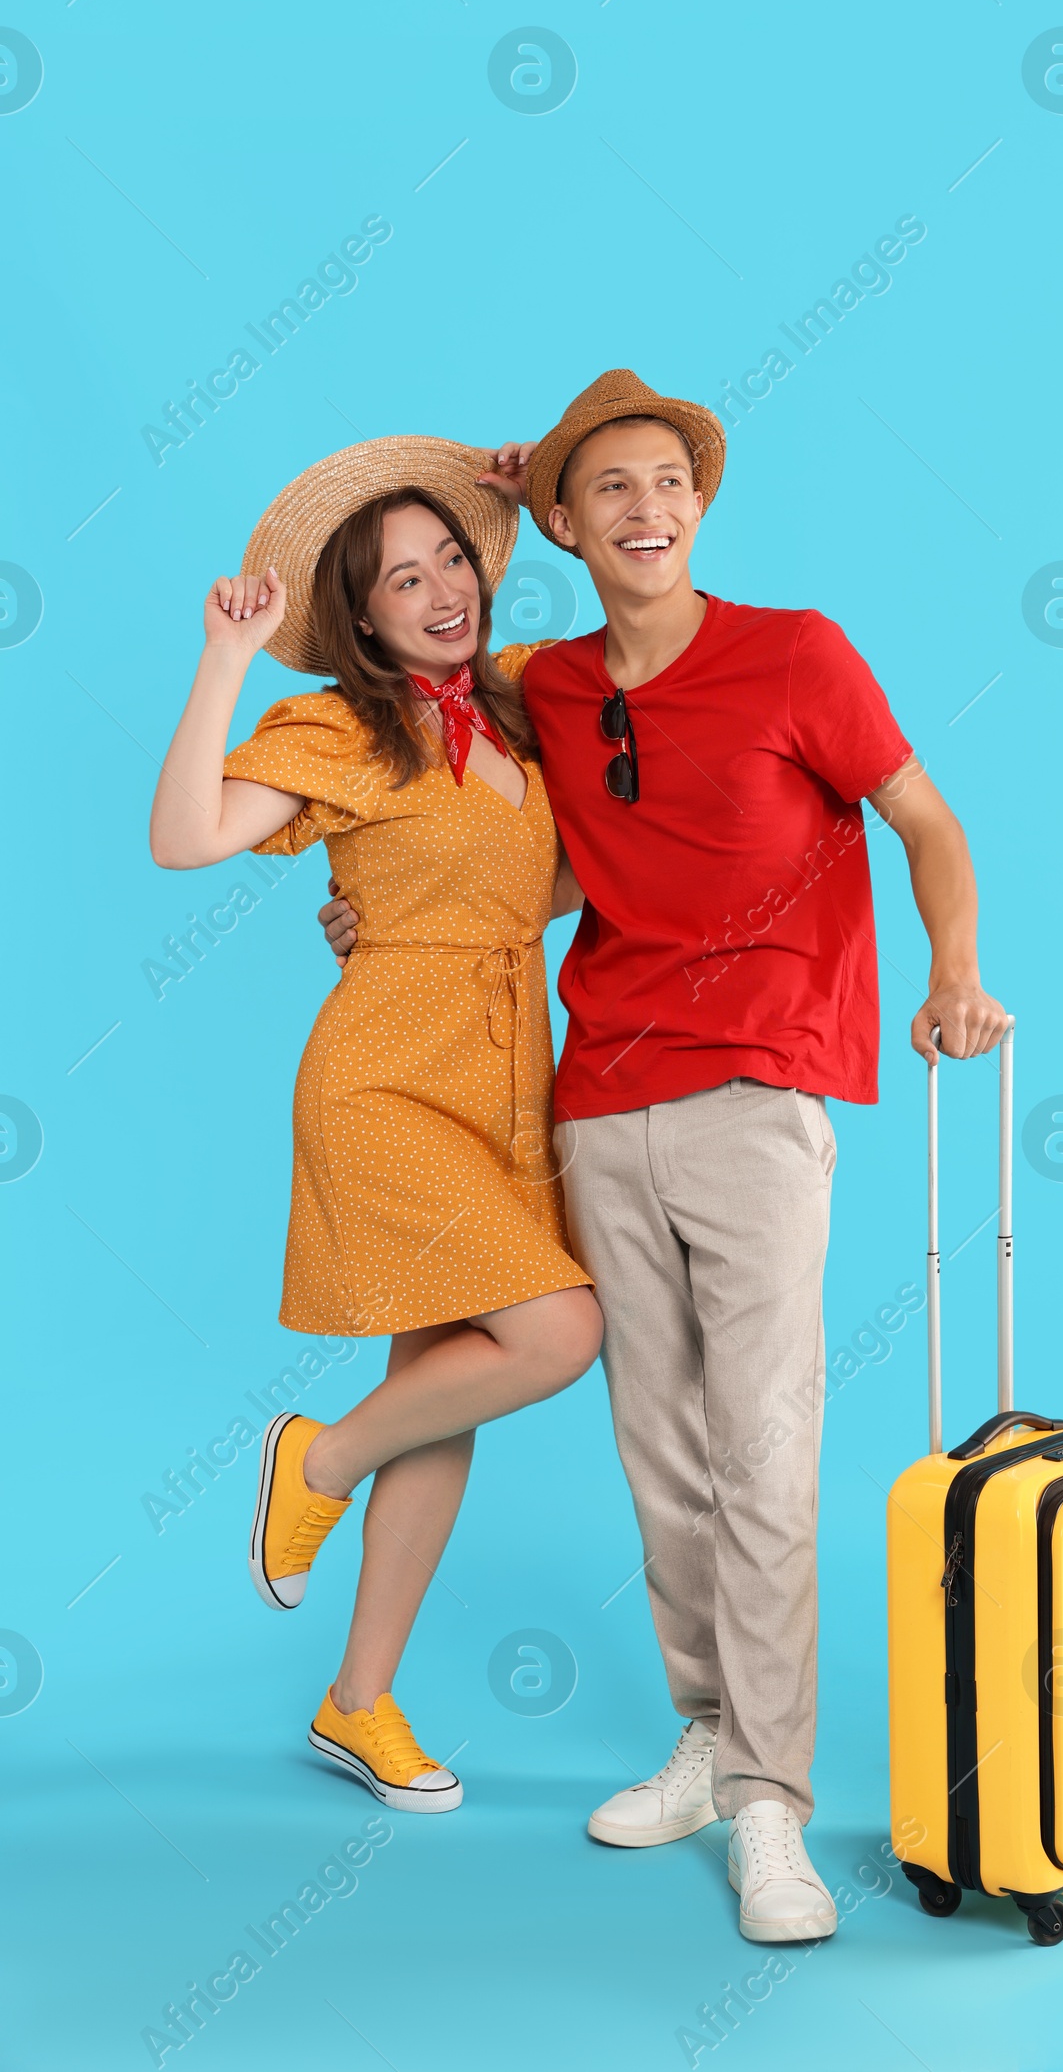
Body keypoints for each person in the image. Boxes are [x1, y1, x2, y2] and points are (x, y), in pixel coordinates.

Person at [322, 372, 1006, 1940]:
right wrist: (383, 910)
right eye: (607, 492)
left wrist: (952, 971)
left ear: (700, 508)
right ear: (560, 527)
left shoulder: (797, 652)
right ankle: (708, 1734)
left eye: (665, 483)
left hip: (760, 1094)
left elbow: (925, 822)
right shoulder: (544, 685)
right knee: (664, 1454)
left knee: (764, 1451)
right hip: (598, 1101)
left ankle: (772, 1805)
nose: (645, 510)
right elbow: (485, 821)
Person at [151, 436, 601, 1814]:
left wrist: (543, 500)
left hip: (507, 1074)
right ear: (358, 614)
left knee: (445, 1383)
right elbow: (185, 836)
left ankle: (359, 1702)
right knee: (555, 1333)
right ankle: (316, 1458)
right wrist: (227, 657)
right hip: (385, 1076)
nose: (441, 588)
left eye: (454, 557)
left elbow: (551, 886)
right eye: (403, 577)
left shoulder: (522, 706)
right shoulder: (344, 730)